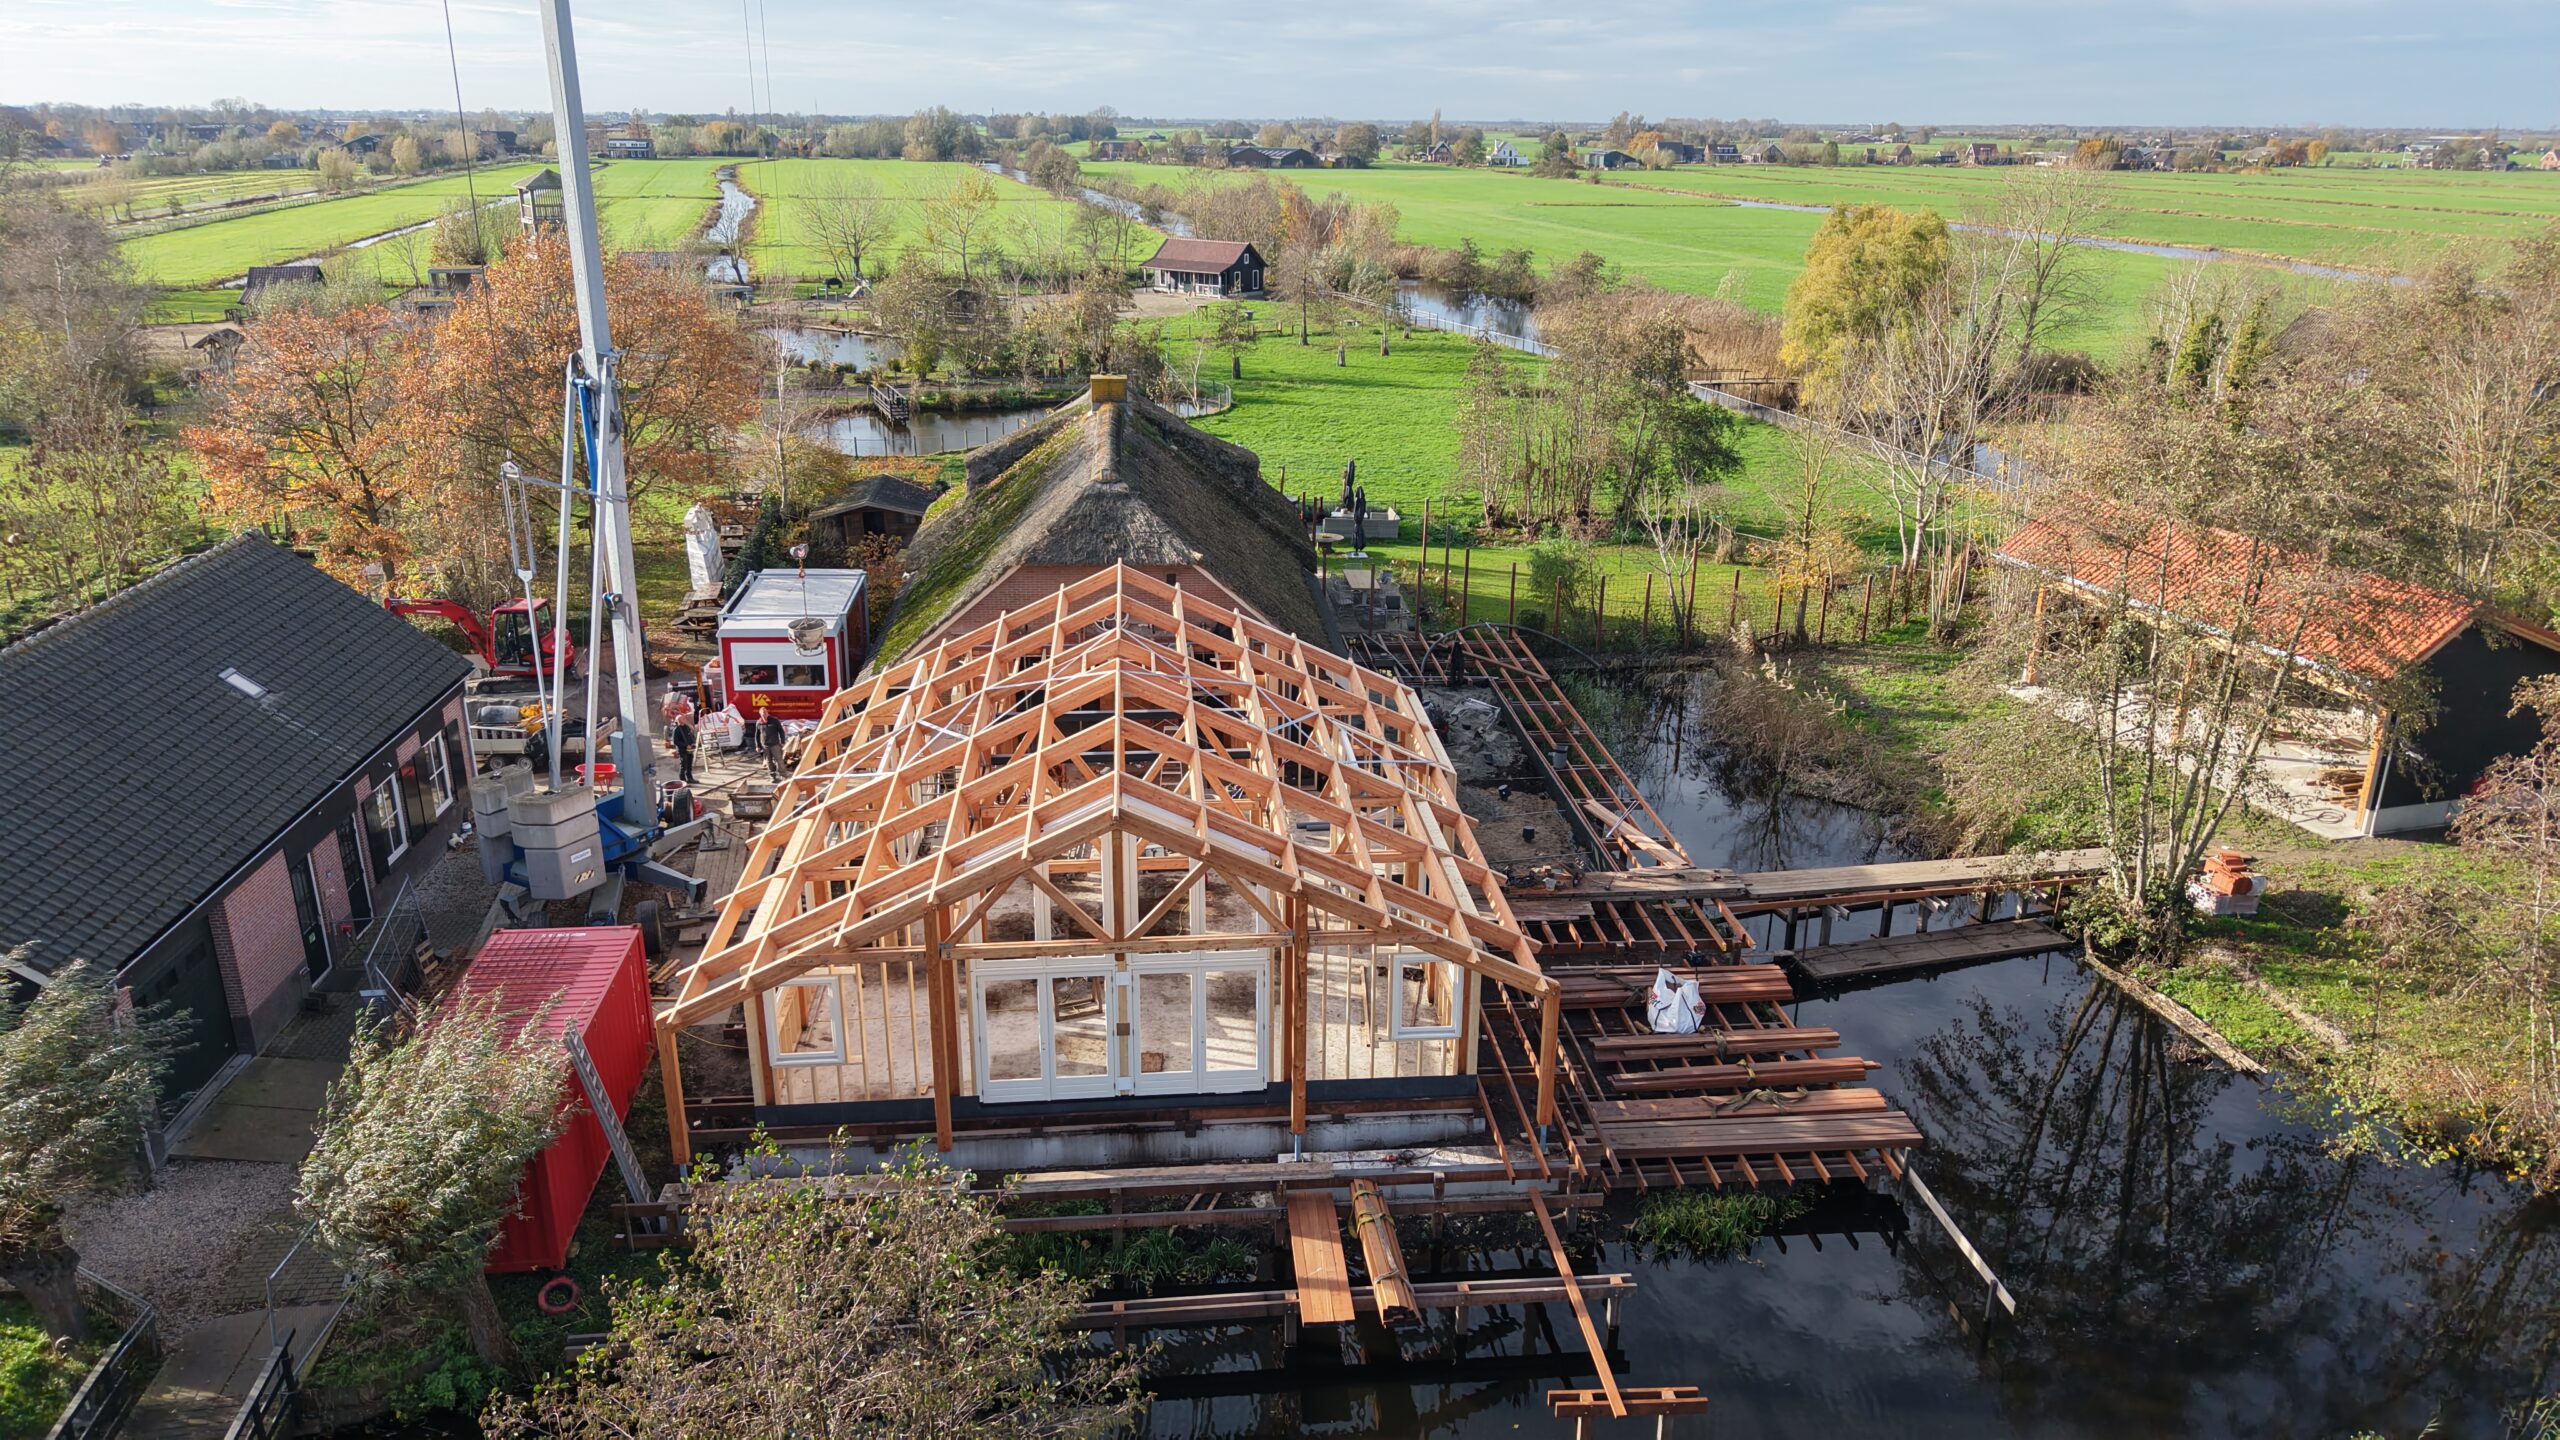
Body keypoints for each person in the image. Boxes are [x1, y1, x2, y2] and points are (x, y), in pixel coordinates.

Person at [670, 714, 698, 785]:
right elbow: (675, 741)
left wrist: (692, 743)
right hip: (682, 750)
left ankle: (690, 778)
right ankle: (683, 782)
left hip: (689, 749)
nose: (684, 719)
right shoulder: (676, 730)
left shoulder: (686, 727)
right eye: (682, 718)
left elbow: (690, 736)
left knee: (689, 764)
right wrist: (685, 746)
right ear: (679, 720)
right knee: (683, 765)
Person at [759, 706, 785, 780]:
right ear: (760, 714)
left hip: (775, 744)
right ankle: (772, 776)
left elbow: (781, 731)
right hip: (765, 746)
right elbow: (757, 735)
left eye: (765, 713)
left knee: (779, 760)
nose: (764, 715)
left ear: (767, 713)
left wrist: (782, 741)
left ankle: (783, 775)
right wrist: (758, 745)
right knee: (769, 761)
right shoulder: (759, 722)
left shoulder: (774, 720)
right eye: (762, 713)